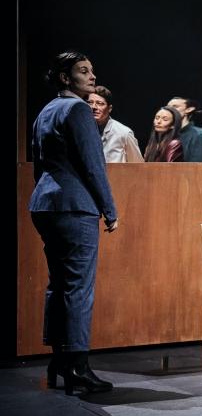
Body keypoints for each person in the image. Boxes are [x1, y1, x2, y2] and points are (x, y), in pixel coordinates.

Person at [30, 52, 118, 394]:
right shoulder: (78, 110)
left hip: (45, 204)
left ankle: (59, 361)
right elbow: (93, 165)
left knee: (59, 285)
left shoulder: (46, 111)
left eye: (92, 70)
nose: (92, 76)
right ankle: (78, 367)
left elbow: (41, 164)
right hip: (74, 206)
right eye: (83, 71)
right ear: (65, 78)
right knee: (79, 288)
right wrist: (109, 209)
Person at [87, 85, 143, 163]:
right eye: (90, 102)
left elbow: (138, 167)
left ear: (109, 108)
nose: (94, 107)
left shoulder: (124, 133)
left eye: (100, 103)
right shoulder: (82, 131)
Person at [166, 97, 202, 162]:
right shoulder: (167, 134)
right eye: (168, 108)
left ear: (188, 109)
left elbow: (197, 167)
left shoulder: (199, 135)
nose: (169, 110)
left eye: (175, 107)